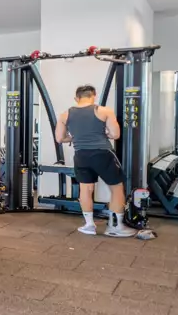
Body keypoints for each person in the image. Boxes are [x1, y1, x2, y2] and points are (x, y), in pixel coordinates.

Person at [55, 84, 136, 237]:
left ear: (76, 98)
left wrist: (75, 137)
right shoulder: (104, 111)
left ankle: (89, 225)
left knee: (85, 189)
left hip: (81, 155)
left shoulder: (65, 115)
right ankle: (116, 227)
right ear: (93, 96)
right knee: (117, 188)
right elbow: (116, 134)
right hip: (102, 154)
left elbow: (60, 138)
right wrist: (104, 134)